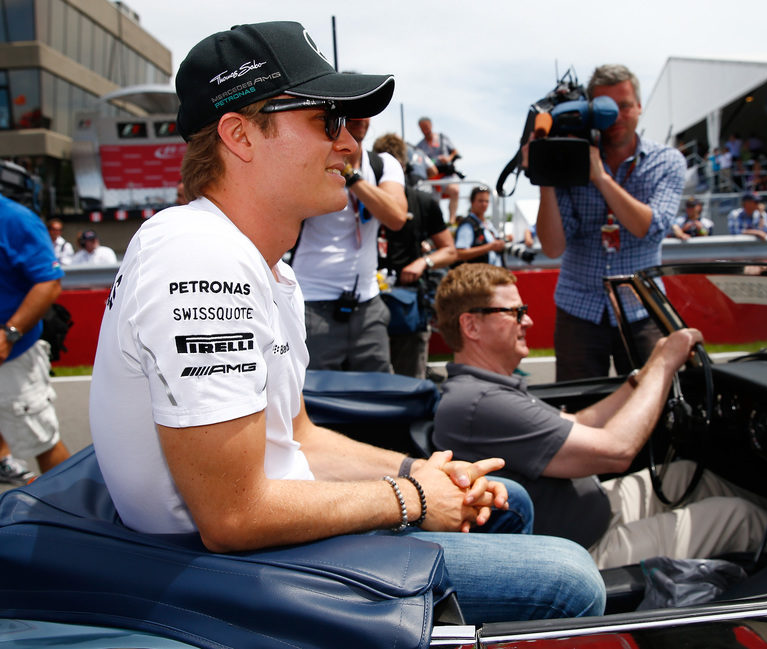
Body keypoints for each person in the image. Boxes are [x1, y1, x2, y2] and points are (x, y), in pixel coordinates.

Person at [87, 21, 604, 624]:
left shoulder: (263, 266)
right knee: (571, 579)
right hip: (222, 574)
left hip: (255, 549)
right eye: (325, 121)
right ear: (240, 135)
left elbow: (297, 438)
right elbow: (233, 516)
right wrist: (410, 498)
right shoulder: (198, 256)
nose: (351, 146)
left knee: (504, 500)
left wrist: (419, 470)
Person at [431, 264, 767, 569]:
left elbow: (582, 422)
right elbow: (618, 450)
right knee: (741, 517)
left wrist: (643, 375)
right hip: (582, 550)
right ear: (471, 327)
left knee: (698, 477)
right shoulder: (481, 402)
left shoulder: (486, 391)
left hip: (594, 511)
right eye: (514, 312)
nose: (529, 320)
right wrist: (663, 364)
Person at [535, 64, 685, 382]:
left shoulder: (667, 161)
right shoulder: (570, 160)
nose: (615, 116)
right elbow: (552, 246)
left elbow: (651, 227)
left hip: (642, 307)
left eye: (625, 105)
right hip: (579, 308)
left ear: (639, 108)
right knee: (581, 410)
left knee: (653, 407)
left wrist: (600, 177)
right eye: (604, 108)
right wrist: (546, 174)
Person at [291, 115, 407, 373]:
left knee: (379, 395)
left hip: (367, 301)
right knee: (316, 399)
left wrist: (350, 175)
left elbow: (397, 217)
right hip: (313, 301)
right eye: (352, 110)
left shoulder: (382, 164)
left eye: (367, 110)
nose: (361, 118)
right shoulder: (312, 161)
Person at [372, 132, 458, 378]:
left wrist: (422, 262)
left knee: (410, 382)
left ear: (403, 167)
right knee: (368, 387)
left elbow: (450, 250)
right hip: (366, 304)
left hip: (406, 304)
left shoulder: (422, 202)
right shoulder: (360, 198)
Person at [0, 193, 71, 478]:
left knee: (41, 440)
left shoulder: (13, 218)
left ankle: (67, 511)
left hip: (12, 357)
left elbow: (49, 282)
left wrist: (9, 334)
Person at [416, 117, 461, 223]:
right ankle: (438, 224)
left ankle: (451, 220)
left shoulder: (442, 137)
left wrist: (448, 158)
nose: (425, 130)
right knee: (432, 201)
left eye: (426, 127)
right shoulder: (419, 146)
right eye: (422, 128)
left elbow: (455, 151)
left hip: (446, 174)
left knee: (455, 190)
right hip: (431, 178)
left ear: (431, 125)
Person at [455, 186, 505, 267]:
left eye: (487, 201)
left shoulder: (488, 224)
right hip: (478, 275)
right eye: (480, 201)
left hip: (494, 273)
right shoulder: (467, 225)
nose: (484, 204)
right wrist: (489, 247)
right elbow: (460, 253)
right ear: (472, 202)